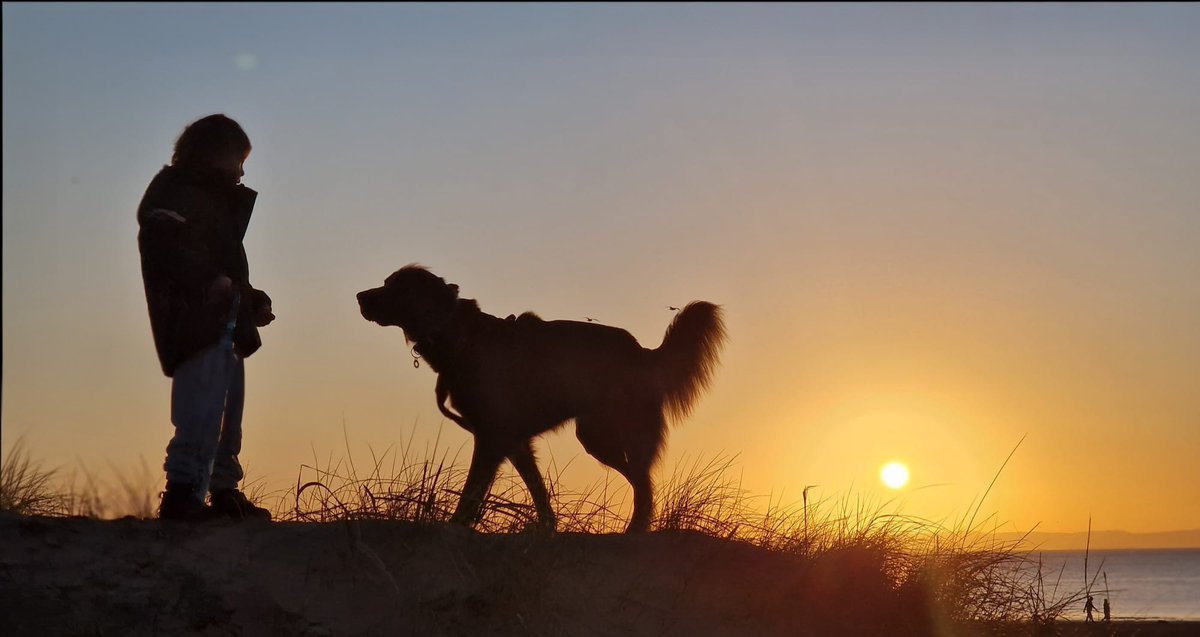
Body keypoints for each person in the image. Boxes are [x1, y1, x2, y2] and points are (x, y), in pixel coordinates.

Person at [137, 114, 275, 521]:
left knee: (228, 413)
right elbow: (167, 247)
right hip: (192, 320)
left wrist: (250, 300)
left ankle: (223, 490)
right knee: (200, 408)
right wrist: (209, 281)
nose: (242, 170)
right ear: (215, 155)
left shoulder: (213, 200)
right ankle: (183, 493)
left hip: (225, 323)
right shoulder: (174, 193)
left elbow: (226, 267)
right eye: (238, 159)